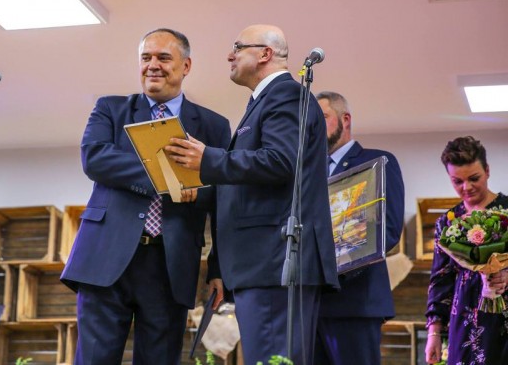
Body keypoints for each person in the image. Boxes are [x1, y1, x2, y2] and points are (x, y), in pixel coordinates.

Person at [165, 24, 339, 365]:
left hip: (274, 262)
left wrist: (209, 159)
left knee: (271, 358)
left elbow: (280, 162)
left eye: (237, 47)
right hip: (261, 265)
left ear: (265, 54)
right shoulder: (262, 102)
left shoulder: (285, 94)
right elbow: (250, 182)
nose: (229, 55)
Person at [60, 28, 231, 365]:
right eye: (146, 57)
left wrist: (218, 269)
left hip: (170, 266)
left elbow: (224, 198)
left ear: (186, 66)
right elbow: (95, 159)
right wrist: (168, 178)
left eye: (164, 57)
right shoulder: (110, 108)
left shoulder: (214, 126)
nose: (153, 65)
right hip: (105, 258)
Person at [313, 91, 406, 365]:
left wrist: (336, 265)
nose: (314, 126)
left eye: (323, 117)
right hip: (312, 305)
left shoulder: (377, 161)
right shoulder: (306, 172)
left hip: (355, 300)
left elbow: (388, 230)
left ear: (346, 119)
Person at [425, 136, 508, 364]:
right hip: (464, 320)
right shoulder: (447, 222)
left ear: (487, 171)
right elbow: (440, 281)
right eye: (457, 181)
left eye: (474, 178)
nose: (466, 187)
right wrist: (434, 334)